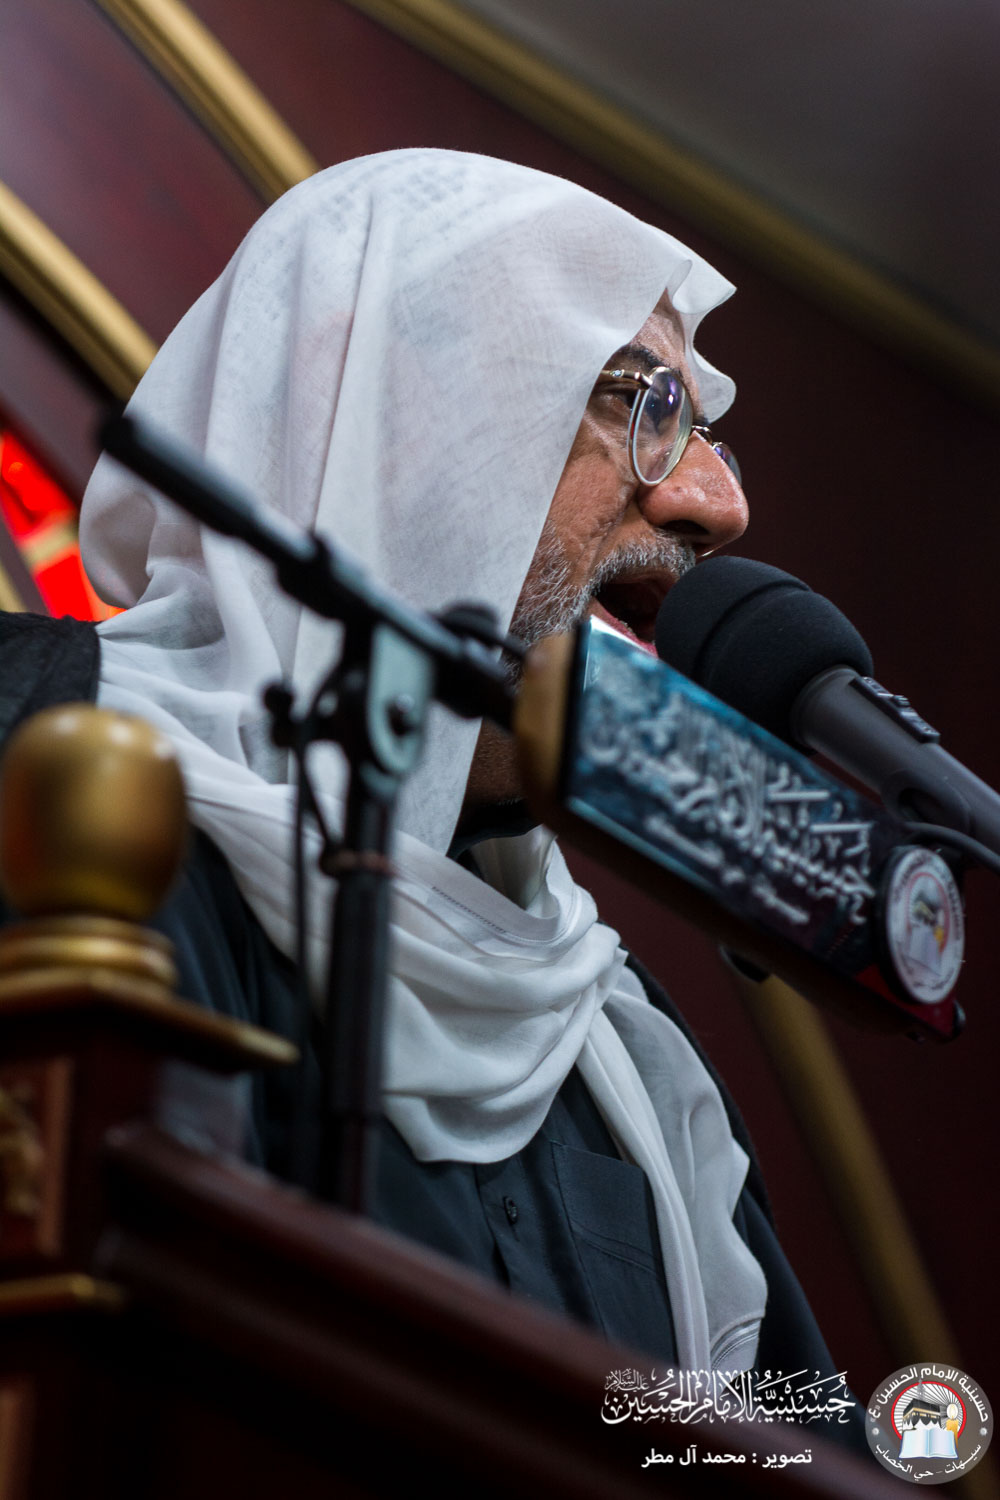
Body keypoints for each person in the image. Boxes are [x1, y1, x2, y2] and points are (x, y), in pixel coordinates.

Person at [11, 151, 859, 1420]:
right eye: (642, 404)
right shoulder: (36, 749)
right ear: (399, 425)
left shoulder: (622, 1044)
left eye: (702, 430)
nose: (715, 501)